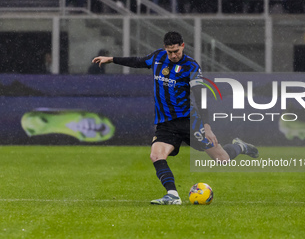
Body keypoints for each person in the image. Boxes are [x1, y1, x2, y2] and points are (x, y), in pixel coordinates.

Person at [92, 31, 259, 205]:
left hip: (189, 121)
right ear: (165, 48)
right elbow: (138, 61)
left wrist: (207, 126)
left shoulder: (191, 66)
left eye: (176, 51)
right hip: (166, 123)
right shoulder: (158, 57)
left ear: (183, 46)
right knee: (156, 156)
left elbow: (201, 97)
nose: (173, 55)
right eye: (170, 52)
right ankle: (172, 195)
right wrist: (112, 59)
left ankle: (239, 146)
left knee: (222, 159)